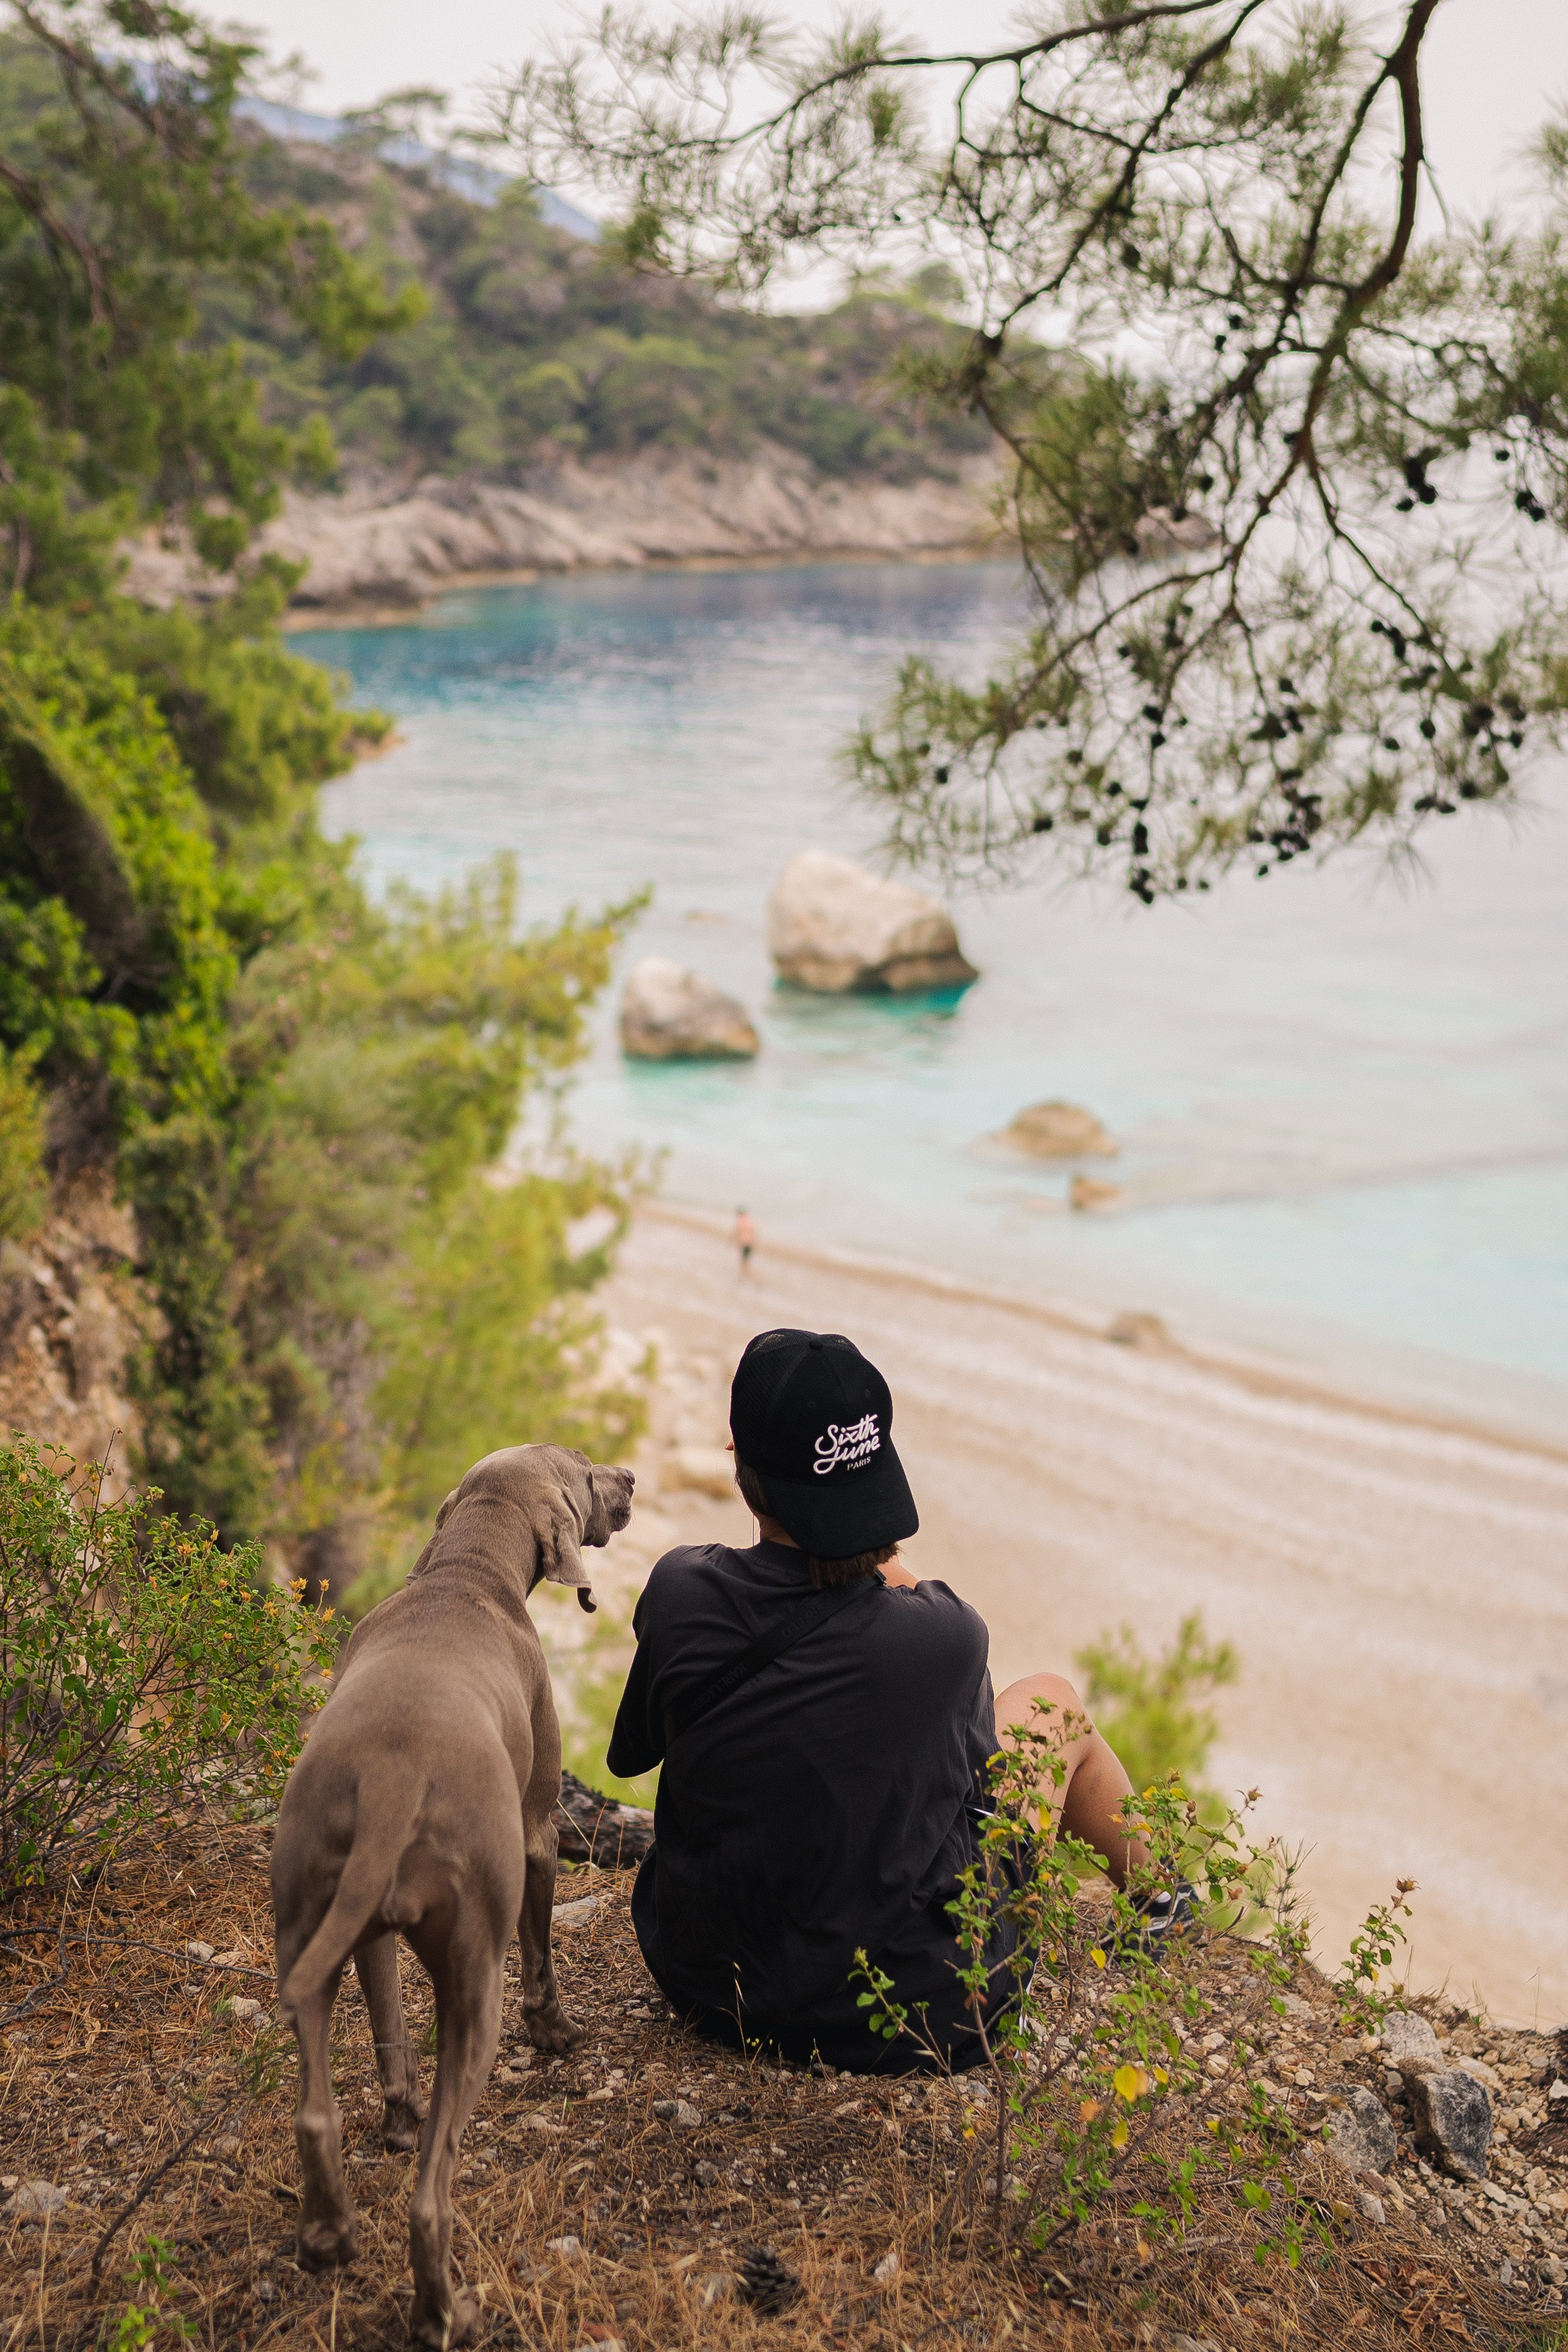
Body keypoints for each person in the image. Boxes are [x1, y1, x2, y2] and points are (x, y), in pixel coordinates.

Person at [606, 1326, 1186, 2073]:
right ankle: (1161, 1899)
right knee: (1051, 1703)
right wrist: (864, 1545)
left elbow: (633, 1755)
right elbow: (974, 1784)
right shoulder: (943, 1637)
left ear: (738, 1464)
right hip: (908, 2020)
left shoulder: (680, 1591)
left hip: (707, 1985)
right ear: (881, 1477)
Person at [731, 1207, 756, 1282]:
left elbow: (738, 1231)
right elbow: (753, 1232)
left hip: (744, 1244)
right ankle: (742, 1278)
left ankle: (753, 1279)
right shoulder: (749, 1221)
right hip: (749, 1244)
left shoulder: (741, 1221)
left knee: (744, 1263)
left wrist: (732, 1239)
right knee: (745, 1262)